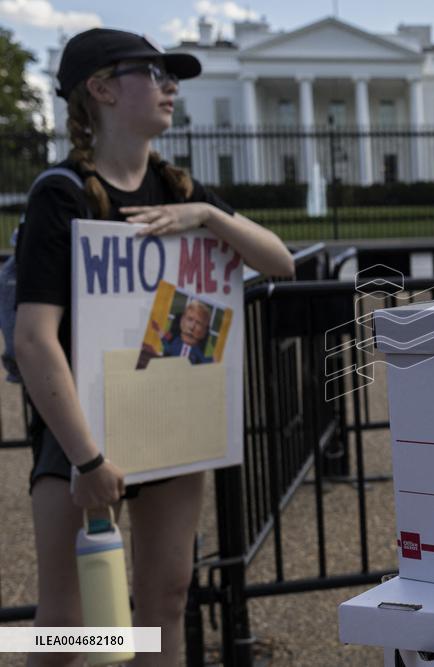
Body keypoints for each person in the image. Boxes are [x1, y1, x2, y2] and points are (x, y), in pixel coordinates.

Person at [14, 28, 294, 666]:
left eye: (174, 75)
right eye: (154, 72)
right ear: (103, 88)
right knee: (71, 622)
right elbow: (34, 339)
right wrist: (87, 464)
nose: (171, 86)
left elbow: (279, 263)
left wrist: (210, 218)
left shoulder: (179, 191)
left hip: (168, 422)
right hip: (82, 433)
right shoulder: (61, 193)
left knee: (165, 599)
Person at [159, 300, 213, 365]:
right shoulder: (176, 342)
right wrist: (162, 337)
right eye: (190, 319)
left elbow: (204, 361)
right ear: (182, 321)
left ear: (204, 332)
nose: (192, 327)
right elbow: (168, 348)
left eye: (198, 323)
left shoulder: (196, 351)